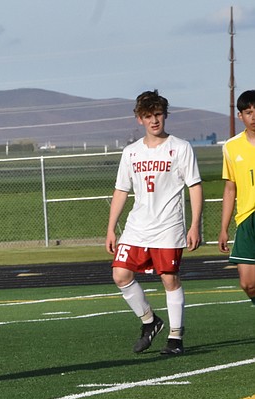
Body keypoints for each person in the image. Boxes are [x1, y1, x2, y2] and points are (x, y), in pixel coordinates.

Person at [105, 90, 202, 356]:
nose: (154, 120)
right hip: (137, 227)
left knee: (169, 279)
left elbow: (194, 186)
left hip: (169, 226)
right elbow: (121, 190)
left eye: (158, 114)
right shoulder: (131, 152)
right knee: (120, 274)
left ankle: (175, 338)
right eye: (148, 116)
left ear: (165, 115)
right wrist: (111, 227)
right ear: (139, 119)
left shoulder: (180, 147)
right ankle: (150, 321)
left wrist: (195, 225)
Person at [219, 89, 255, 310]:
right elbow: (230, 189)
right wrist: (224, 228)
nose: (254, 117)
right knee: (248, 283)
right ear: (240, 116)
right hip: (246, 220)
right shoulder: (231, 147)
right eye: (249, 112)